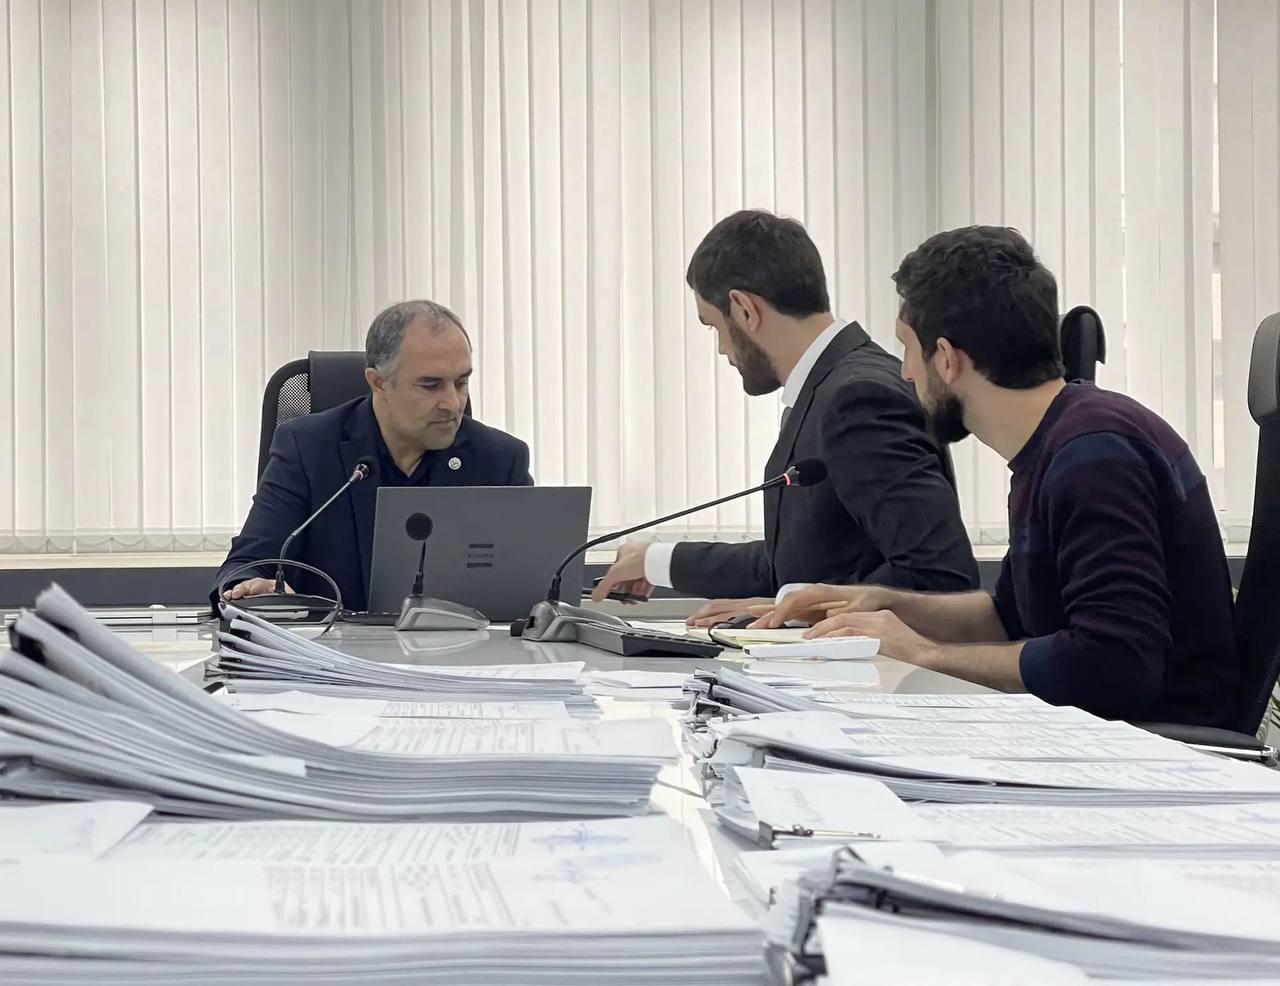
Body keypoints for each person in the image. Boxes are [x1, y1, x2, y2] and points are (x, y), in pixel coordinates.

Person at [759, 226, 1240, 727]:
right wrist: (885, 605)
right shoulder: (1053, 446)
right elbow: (1008, 618)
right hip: (1103, 735)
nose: (905, 373)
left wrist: (925, 654)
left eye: (908, 349)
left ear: (947, 359)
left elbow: (1115, 664)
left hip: (1158, 748)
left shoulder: (1095, 456)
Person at [592, 210, 978, 623]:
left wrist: (794, 609)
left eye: (713, 327)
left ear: (744, 309)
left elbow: (938, 578)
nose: (722, 349)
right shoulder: (831, 386)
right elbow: (798, 559)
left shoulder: (858, 399)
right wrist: (655, 560)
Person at [214, 300, 532, 612]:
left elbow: (531, 581)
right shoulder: (308, 449)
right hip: (329, 643)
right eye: (430, 385)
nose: (452, 403)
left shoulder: (501, 460)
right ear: (378, 382)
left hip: (462, 645)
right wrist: (252, 587)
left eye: (461, 382)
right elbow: (247, 564)